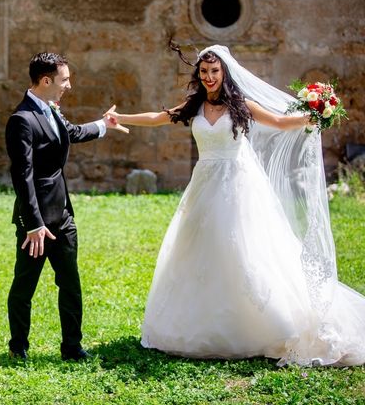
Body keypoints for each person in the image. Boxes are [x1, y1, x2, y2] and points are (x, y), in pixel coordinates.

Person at [106, 44, 365, 366]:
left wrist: (312, 116)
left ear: (224, 73)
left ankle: (264, 325)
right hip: (205, 183)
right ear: (198, 75)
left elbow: (279, 123)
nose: (209, 77)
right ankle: (202, 324)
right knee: (202, 249)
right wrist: (120, 117)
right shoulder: (194, 105)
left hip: (239, 184)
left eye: (214, 71)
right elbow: (160, 118)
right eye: (203, 72)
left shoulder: (241, 104)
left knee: (243, 248)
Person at [5, 52, 127, 361]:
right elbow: (23, 176)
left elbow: (70, 133)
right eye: (65, 80)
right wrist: (33, 224)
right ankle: (18, 345)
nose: (68, 86)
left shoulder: (51, 110)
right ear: (46, 81)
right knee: (24, 285)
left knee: (70, 284)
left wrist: (103, 124)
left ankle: (72, 347)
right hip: (37, 225)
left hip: (63, 216)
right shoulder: (21, 120)